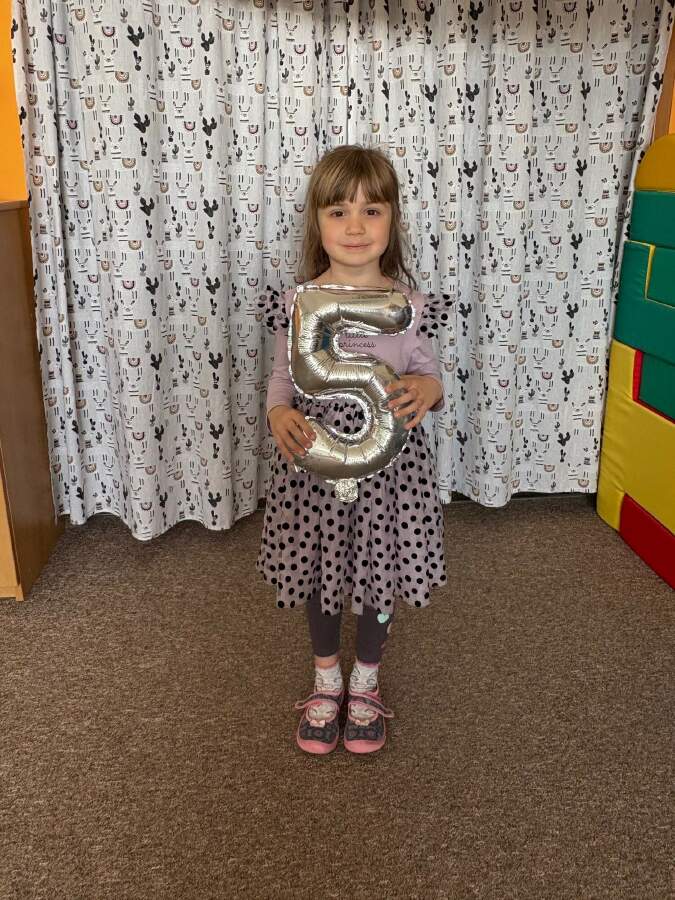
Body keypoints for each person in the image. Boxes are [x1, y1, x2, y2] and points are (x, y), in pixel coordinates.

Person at [256, 144, 449, 755]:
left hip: (392, 474)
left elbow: (429, 374)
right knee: (318, 570)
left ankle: (365, 681)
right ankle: (326, 680)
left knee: (378, 572)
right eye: (339, 212)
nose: (356, 226)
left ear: (392, 221)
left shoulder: (409, 308)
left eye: (372, 210)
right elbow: (282, 377)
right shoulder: (298, 303)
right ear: (317, 222)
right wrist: (278, 412)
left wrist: (428, 389)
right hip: (314, 468)